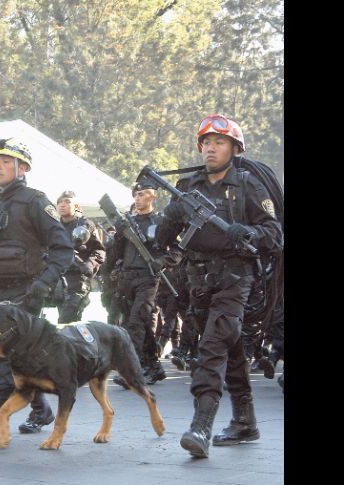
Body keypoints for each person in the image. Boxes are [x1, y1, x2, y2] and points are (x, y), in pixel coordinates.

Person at [155, 114, 283, 458]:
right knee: (231, 345)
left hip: (236, 279)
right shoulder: (187, 187)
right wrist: (162, 240)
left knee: (211, 348)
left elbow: (275, 234)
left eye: (220, 142)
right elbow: (165, 235)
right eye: (206, 143)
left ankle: (202, 424)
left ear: (234, 148)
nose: (211, 148)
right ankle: (244, 420)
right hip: (197, 281)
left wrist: (250, 232)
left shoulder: (247, 186)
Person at [0, 137, 73, 445]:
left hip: (25, 294)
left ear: (23, 168)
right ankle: (42, 409)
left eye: (6, 161)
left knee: (7, 359)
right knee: (5, 358)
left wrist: (42, 285)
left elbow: (64, 250)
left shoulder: (36, 201)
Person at [105, 182, 182, 386]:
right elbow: (116, 253)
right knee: (141, 323)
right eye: (136, 195)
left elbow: (177, 250)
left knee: (136, 322)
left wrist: (162, 262)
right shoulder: (126, 222)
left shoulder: (161, 222)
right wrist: (118, 236)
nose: (138, 198)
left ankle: (133, 369)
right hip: (126, 278)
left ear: (152, 197)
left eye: (142, 194)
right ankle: (154, 367)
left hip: (148, 278)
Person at [55, 190, 105, 323]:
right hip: (57, 279)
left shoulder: (85, 225)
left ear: (76, 206)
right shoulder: (53, 226)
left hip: (78, 278)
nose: (62, 205)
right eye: (59, 202)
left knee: (66, 320)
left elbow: (99, 251)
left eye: (67, 202)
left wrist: (90, 265)